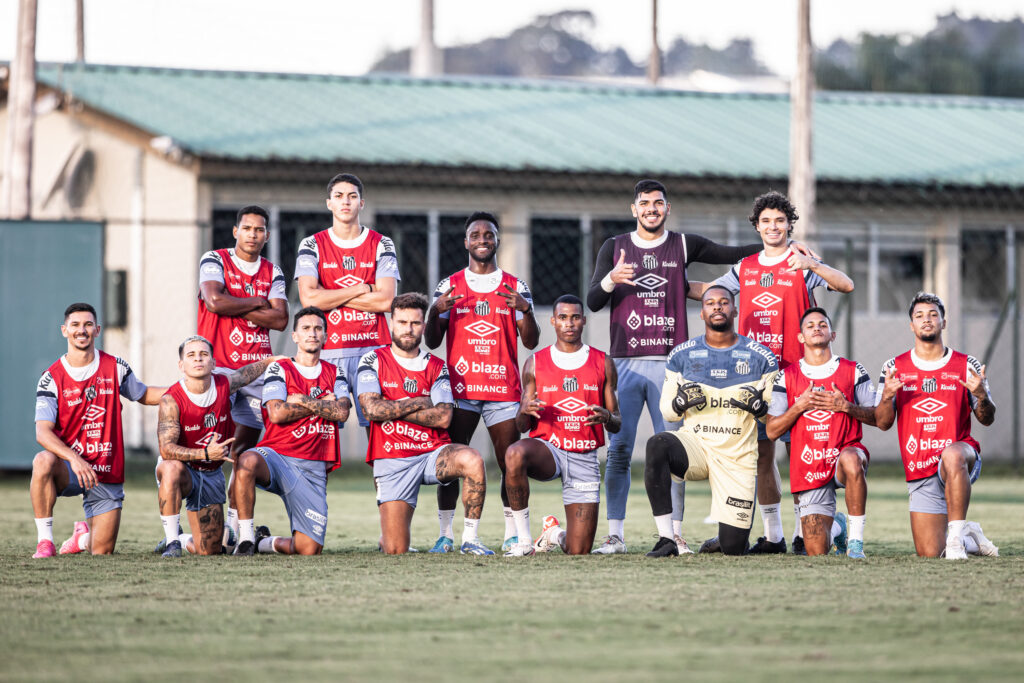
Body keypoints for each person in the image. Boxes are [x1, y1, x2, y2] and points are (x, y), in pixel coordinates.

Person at [587, 179, 803, 554]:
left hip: (674, 365)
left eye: (658, 203)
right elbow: (591, 301)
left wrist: (781, 248)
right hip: (625, 362)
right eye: (644, 203)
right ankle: (616, 535)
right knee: (619, 451)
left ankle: (674, 533)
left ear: (667, 208)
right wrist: (610, 279)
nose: (651, 209)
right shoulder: (615, 247)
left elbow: (732, 251)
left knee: (673, 450)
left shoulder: (683, 244)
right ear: (633, 209)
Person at [691, 190, 853, 554]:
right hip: (755, 376)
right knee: (762, 454)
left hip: (798, 375)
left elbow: (846, 284)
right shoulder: (746, 267)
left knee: (801, 455)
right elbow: (711, 292)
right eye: (766, 221)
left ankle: (805, 531)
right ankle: (775, 536)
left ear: (789, 224)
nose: (773, 226)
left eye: (780, 220)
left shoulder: (802, 261)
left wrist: (812, 265)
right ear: (757, 226)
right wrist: (670, 284)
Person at [424, 211, 539, 553]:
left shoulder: (515, 286)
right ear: (466, 242)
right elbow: (431, 341)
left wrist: (527, 310)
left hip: (502, 389)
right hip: (460, 391)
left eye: (488, 235)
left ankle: (511, 534)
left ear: (497, 240)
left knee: (509, 464)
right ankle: (446, 534)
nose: (482, 240)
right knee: (451, 463)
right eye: (475, 235)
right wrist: (433, 311)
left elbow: (531, 342)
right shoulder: (449, 285)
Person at [643, 286, 778, 557]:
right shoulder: (682, 355)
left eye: (724, 302)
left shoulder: (762, 357)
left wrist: (759, 407)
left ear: (734, 309)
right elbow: (668, 412)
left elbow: (771, 416)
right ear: (702, 312)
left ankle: (725, 536)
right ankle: (667, 538)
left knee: (733, 548)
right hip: (698, 446)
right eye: (711, 303)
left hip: (736, 456)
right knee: (657, 444)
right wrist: (680, 403)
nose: (717, 307)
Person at [359, 293, 494, 555]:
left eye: (415, 323)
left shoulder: (437, 366)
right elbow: (371, 409)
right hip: (393, 457)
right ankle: (388, 535)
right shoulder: (372, 360)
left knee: (473, 460)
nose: (408, 330)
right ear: (391, 323)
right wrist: (420, 401)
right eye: (402, 322)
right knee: (395, 549)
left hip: (432, 452)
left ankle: (469, 538)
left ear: (423, 325)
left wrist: (393, 405)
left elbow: (443, 417)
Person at [30, 303, 164, 557]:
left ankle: (82, 539)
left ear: (97, 329)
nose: (82, 330)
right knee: (43, 461)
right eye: (76, 325)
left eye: (88, 324)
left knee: (101, 552)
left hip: (105, 470)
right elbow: (42, 433)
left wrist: (186, 390)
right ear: (64, 330)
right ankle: (45, 542)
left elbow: (144, 394)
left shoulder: (115, 366)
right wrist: (75, 459)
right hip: (70, 468)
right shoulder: (51, 378)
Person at [875, 292, 999, 559]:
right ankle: (968, 535)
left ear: (944, 322)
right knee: (930, 552)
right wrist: (887, 396)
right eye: (919, 316)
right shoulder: (893, 368)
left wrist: (981, 395)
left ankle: (955, 539)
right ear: (911, 325)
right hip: (919, 466)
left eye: (933, 314)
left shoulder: (967, 365)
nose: (926, 320)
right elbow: (883, 423)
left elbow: (987, 418)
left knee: (952, 454)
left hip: (958, 459)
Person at [196, 204, 288, 542]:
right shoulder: (215, 259)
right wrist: (256, 302)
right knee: (207, 448)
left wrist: (235, 301)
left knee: (243, 451)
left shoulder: (273, 270)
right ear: (236, 231)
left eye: (259, 230)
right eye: (247, 228)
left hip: (258, 370)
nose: (253, 234)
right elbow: (214, 303)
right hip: (217, 367)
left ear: (266, 235)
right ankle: (186, 525)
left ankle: (235, 527)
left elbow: (279, 320)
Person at [503, 295, 621, 556]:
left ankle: (553, 533)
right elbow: (522, 425)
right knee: (514, 453)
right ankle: (523, 541)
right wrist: (523, 410)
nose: (570, 323)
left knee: (579, 550)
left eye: (575, 317)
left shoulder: (603, 362)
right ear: (553, 321)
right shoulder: (535, 363)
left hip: (584, 457)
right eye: (564, 318)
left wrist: (607, 418)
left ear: (584, 321)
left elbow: (617, 424)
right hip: (550, 449)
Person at [232, 307, 351, 556]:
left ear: (326, 336)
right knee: (247, 460)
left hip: (313, 467)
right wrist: (323, 404)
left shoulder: (336, 372)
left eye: (318, 329)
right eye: (305, 329)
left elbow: (341, 413)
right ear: (295, 336)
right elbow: (277, 413)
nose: (312, 334)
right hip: (277, 457)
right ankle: (244, 538)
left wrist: (302, 400)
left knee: (309, 549)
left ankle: (262, 542)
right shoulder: (280, 369)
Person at [154, 335, 281, 557]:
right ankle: (172, 542)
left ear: (213, 363)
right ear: (181, 365)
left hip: (211, 473)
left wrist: (272, 361)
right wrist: (205, 452)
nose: (198, 359)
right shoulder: (171, 399)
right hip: (183, 470)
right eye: (191, 355)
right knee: (171, 468)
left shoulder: (224, 385)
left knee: (210, 550)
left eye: (204, 355)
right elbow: (166, 449)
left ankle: (184, 539)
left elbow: (246, 373)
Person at [765, 308, 874, 558]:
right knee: (816, 549)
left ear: (832, 334)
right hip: (809, 466)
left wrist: (845, 406)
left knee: (852, 459)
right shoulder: (787, 376)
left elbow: (879, 418)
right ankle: (838, 527)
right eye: (810, 325)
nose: (817, 328)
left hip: (843, 458)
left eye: (822, 324)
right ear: (801, 337)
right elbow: (772, 431)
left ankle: (856, 542)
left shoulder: (853, 370)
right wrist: (800, 406)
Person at [295, 173, 399, 429]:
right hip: (329, 349)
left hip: (374, 349)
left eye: (352, 196)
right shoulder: (312, 244)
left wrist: (328, 294)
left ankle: (383, 472)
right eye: (339, 196)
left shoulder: (381, 243)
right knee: (322, 433)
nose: (346, 202)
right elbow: (309, 298)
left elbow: (386, 300)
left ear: (361, 203)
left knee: (381, 430)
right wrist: (363, 287)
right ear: (328, 203)